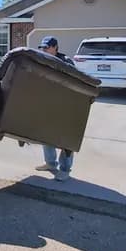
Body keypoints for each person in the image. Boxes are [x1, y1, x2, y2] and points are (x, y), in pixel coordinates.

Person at [34, 36, 76, 182]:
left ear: (55, 47)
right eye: (42, 48)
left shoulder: (66, 61)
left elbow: (74, 80)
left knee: (66, 138)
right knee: (46, 134)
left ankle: (65, 169)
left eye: (47, 47)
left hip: (65, 105)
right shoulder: (43, 61)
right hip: (48, 104)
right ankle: (50, 163)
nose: (44, 50)